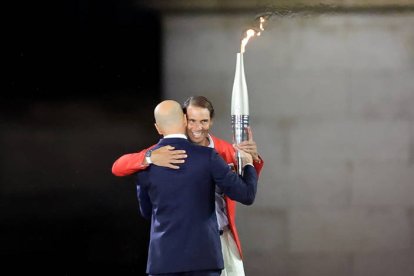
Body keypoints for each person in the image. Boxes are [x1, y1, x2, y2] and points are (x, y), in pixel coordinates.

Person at [112, 96, 264, 276]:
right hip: (201, 251)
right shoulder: (159, 154)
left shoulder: (225, 150)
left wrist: (251, 159)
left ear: (211, 121)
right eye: (192, 120)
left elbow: (243, 186)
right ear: (184, 120)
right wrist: (148, 158)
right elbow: (119, 166)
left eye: (204, 121)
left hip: (218, 241)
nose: (197, 127)